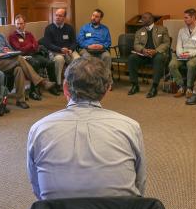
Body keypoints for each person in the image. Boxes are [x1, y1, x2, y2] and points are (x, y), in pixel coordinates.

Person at [27, 57, 146, 200]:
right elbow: (139, 186)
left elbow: (38, 189)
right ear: (107, 89)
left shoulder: (39, 129)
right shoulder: (130, 127)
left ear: (65, 88)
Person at [0, 14, 57, 108]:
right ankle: (41, 82)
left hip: (7, 60)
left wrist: (8, 51)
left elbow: (11, 49)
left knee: (19, 69)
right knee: (19, 59)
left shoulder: (1, 36)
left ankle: (20, 100)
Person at [127, 13, 171, 98]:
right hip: (144, 54)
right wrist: (143, 50)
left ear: (151, 19)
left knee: (159, 58)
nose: (142, 20)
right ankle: (135, 85)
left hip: (157, 54)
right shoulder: (139, 32)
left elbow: (166, 43)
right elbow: (136, 45)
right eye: (142, 18)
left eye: (144, 18)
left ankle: (154, 86)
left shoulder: (162, 29)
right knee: (132, 58)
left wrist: (156, 51)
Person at [8, 14, 57, 89]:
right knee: (35, 63)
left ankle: (54, 87)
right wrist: (30, 45)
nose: (19, 26)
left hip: (34, 54)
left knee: (50, 63)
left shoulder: (29, 34)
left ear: (25, 24)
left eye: (21, 23)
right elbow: (19, 50)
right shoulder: (13, 36)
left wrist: (29, 46)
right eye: (17, 23)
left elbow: (36, 46)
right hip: (23, 57)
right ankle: (34, 91)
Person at [167, 8, 196, 98]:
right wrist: (181, 54)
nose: (184, 20)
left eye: (186, 17)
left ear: (193, 18)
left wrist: (190, 54)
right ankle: (181, 86)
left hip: (195, 55)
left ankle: (189, 88)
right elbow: (179, 45)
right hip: (181, 55)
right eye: (184, 17)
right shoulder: (182, 30)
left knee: (191, 65)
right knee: (172, 65)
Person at [40, 8, 80, 88]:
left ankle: (74, 82)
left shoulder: (69, 28)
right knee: (59, 59)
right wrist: (60, 49)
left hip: (69, 51)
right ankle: (58, 83)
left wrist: (71, 49)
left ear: (64, 17)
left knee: (77, 59)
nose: (57, 17)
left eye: (60, 16)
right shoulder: (49, 28)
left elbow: (74, 42)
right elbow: (48, 44)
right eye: (56, 15)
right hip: (55, 52)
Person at [77, 8, 113, 85]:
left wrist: (102, 46)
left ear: (100, 18)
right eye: (93, 15)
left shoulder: (105, 29)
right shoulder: (84, 28)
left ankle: (106, 82)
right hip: (87, 49)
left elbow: (108, 42)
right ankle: (88, 81)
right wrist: (88, 46)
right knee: (87, 57)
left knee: (107, 56)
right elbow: (80, 40)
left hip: (101, 50)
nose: (93, 18)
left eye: (96, 16)